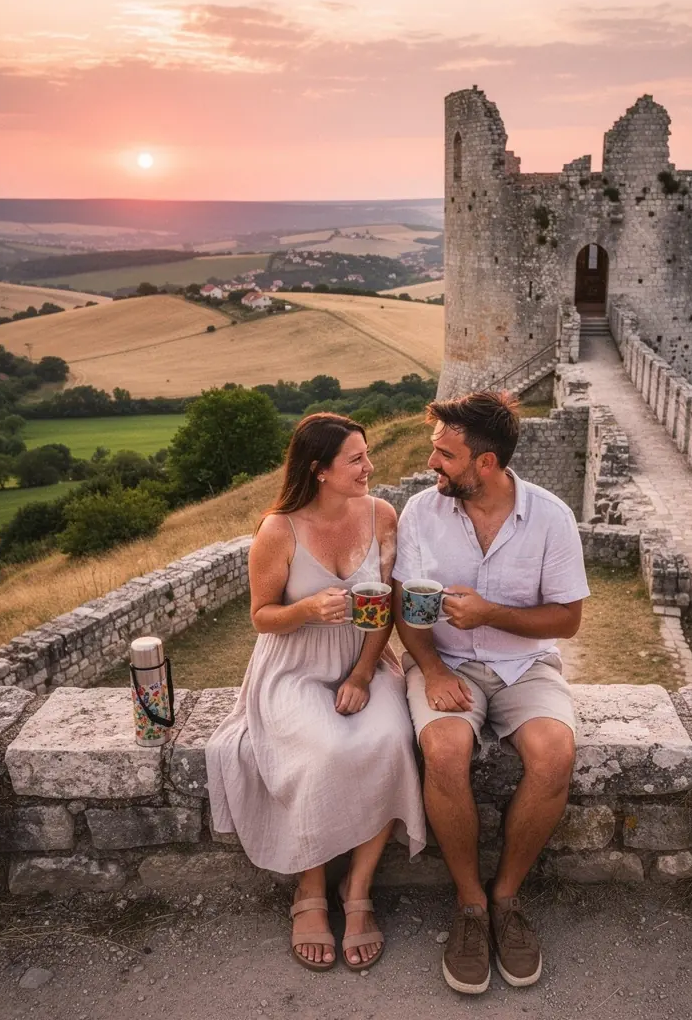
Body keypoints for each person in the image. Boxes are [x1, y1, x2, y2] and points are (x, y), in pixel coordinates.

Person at [206, 413, 426, 974]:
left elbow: (385, 608)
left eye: (367, 454)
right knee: (326, 750)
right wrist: (305, 609)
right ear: (318, 470)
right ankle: (309, 885)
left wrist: (361, 674)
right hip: (293, 668)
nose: (370, 467)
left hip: (366, 661)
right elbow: (262, 618)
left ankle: (357, 891)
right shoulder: (277, 530)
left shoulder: (382, 514)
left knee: (392, 740)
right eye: (356, 459)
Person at [392, 391, 589, 995]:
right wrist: (430, 670)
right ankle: (471, 906)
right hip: (444, 662)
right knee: (445, 752)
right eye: (434, 450)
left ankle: (508, 897)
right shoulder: (420, 513)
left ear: (486, 464)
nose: (433, 463)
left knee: (555, 752)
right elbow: (406, 608)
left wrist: (490, 615)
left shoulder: (551, 517)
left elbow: (566, 621)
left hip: (525, 667)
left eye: (445, 454)